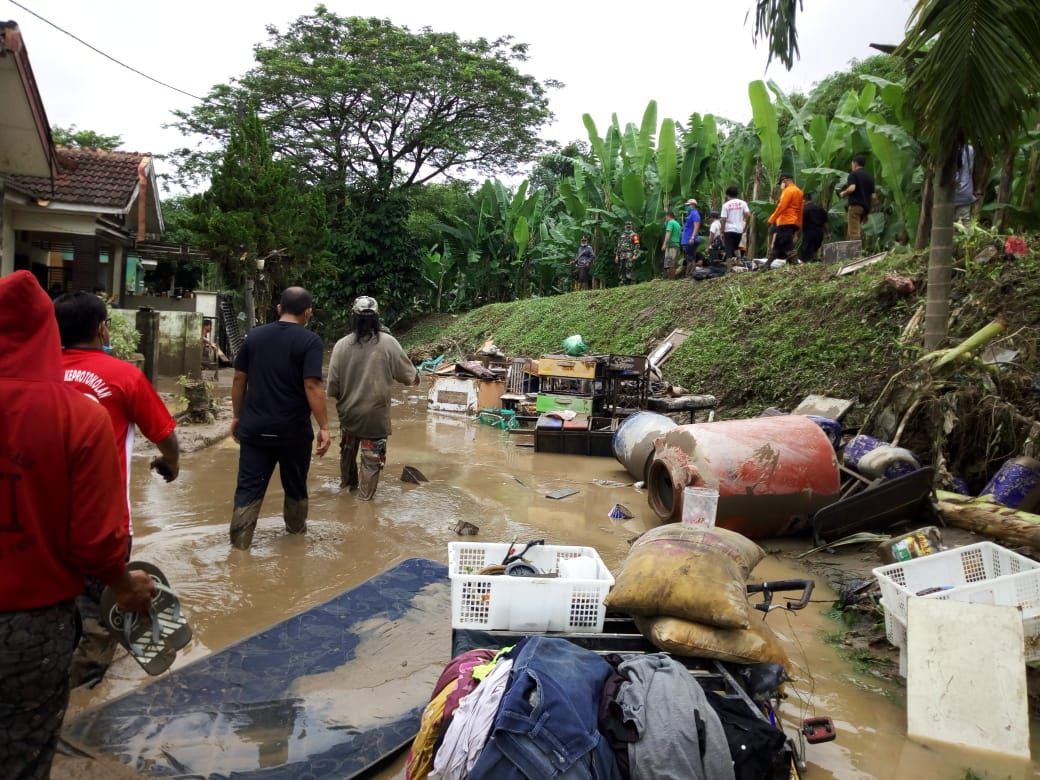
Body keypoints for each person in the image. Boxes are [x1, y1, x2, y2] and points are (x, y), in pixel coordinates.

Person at [0, 271, 155, 779]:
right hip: (30, 625)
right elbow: (94, 541)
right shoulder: (77, 415)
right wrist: (123, 584)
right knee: (22, 753)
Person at [54, 291, 181, 686]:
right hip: (102, 518)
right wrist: (171, 463)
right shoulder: (124, 375)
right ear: (102, 328)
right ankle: (85, 705)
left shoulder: (36, 374)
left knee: (52, 610)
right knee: (100, 618)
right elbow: (164, 433)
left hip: (39, 521)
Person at [229, 286, 330, 550]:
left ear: (278, 309)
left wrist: (237, 417)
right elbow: (313, 385)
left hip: (255, 429)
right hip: (293, 432)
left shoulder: (255, 337)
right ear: (308, 312)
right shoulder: (310, 341)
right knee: (296, 487)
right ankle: (295, 544)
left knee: (248, 489)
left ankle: (239, 550)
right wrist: (325, 427)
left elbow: (239, 379)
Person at [327, 296, 419, 501]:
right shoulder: (389, 343)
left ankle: (346, 491)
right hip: (375, 419)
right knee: (370, 463)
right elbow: (410, 377)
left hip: (348, 417)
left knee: (347, 456)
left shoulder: (341, 345)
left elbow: (332, 388)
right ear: (377, 318)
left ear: (353, 318)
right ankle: (364, 505)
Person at [766, 173, 804, 267]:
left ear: (784, 180)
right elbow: (801, 209)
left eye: (781, 183)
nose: (781, 186)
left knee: (787, 244)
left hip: (785, 221)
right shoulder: (799, 191)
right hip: (793, 221)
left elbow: (782, 206)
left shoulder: (788, 191)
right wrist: (799, 224)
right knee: (777, 245)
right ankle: (766, 265)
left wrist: (772, 219)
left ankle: (795, 264)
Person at [838, 154, 875, 241]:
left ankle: (856, 253)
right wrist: (869, 209)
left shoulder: (853, 174)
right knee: (856, 230)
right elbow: (873, 196)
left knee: (853, 232)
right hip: (865, 208)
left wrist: (843, 193)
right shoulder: (870, 177)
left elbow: (852, 188)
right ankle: (852, 251)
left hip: (855, 206)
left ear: (855, 163)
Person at [720, 186, 751, 263]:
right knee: (736, 247)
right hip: (739, 230)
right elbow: (748, 214)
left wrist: (722, 231)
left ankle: (729, 269)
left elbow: (723, 219)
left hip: (729, 230)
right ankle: (739, 262)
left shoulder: (726, 205)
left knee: (729, 250)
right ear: (737, 194)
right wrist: (746, 226)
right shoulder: (743, 203)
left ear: (727, 195)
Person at [799, 193, 829, 262]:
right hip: (819, 234)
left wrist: (796, 235)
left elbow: (800, 224)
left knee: (805, 255)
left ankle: (809, 266)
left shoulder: (804, 210)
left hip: (809, 234)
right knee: (813, 251)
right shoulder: (820, 209)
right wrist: (827, 233)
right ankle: (815, 262)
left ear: (804, 200)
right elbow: (825, 223)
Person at [954, 144, 976, 226]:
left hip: (949, 195)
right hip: (966, 192)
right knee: (965, 225)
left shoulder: (947, 148)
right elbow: (970, 169)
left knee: (947, 227)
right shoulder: (970, 149)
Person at [680, 199, 702, 271]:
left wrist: (692, 238)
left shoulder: (695, 214)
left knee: (690, 259)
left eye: (688, 205)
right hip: (687, 240)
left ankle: (690, 274)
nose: (686, 207)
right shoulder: (690, 214)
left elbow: (696, 226)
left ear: (693, 205)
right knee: (689, 258)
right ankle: (690, 274)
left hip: (690, 239)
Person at [661, 209, 682, 279]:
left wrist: (664, 244)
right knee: (673, 264)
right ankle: (672, 279)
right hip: (677, 245)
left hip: (671, 246)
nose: (665, 218)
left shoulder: (670, 223)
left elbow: (668, 233)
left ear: (669, 216)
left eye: (666, 216)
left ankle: (671, 280)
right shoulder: (677, 224)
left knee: (670, 265)